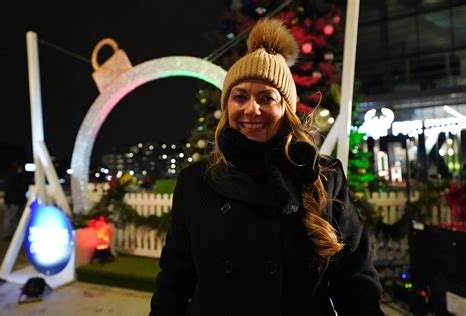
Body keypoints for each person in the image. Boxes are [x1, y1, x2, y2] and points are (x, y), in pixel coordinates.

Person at [150, 18, 384, 315]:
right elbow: (174, 280)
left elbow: (356, 280)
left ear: (285, 108)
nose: (252, 109)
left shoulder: (323, 175)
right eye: (240, 96)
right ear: (227, 106)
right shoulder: (196, 181)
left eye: (266, 98)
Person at [3, 161, 29, 240]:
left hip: (19, 201)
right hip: (13, 201)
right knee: (11, 218)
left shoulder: (20, 177)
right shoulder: (12, 177)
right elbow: (9, 190)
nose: (20, 169)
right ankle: (8, 234)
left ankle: (17, 234)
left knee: (20, 218)